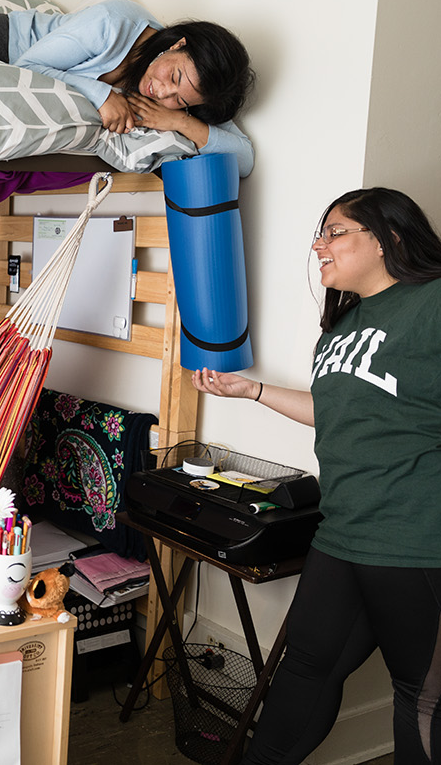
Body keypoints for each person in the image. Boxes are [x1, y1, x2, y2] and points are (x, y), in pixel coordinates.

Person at [191, 187, 441, 763]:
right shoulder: (344, 322)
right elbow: (338, 409)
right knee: (303, 671)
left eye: (336, 232)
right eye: (320, 233)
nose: (318, 245)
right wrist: (251, 390)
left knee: (423, 700)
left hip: (415, 541)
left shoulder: (431, 304)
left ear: (388, 239)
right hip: (343, 531)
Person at [0, 0, 256, 176]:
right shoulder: (115, 22)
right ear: (178, 44)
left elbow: (244, 159)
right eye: (175, 77)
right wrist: (102, 95)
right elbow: (28, 68)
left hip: (8, 70)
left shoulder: (182, 104)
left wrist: (180, 121)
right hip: (2, 44)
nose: (163, 92)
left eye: (179, 99)